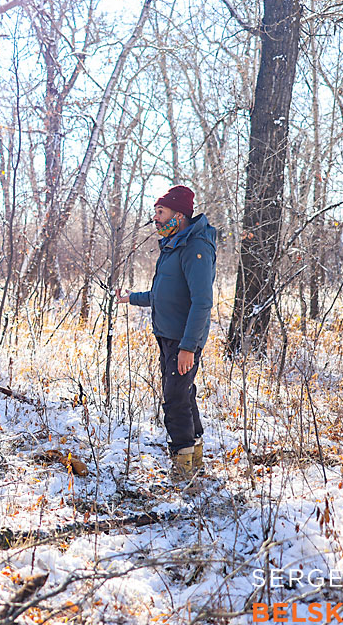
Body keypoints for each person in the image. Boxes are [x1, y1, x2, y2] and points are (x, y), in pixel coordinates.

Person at [117, 185, 216, 480]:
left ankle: (184, 469)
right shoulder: (174, 244)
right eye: (156, 213)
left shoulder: (194, 247)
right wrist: (131, 298)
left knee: (174, 400)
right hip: (169, 336)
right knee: (183, 394)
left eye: (160, 212)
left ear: (179, 214)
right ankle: (194, 458)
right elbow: (165, 293)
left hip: (183, 339)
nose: (156, 219)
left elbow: (202, 302)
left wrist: (188, 347)